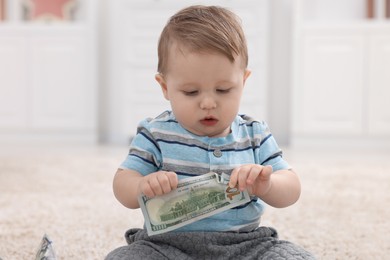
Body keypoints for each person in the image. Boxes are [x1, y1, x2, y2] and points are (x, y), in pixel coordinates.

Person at [106, 5, 315, 260]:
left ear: (243, 82)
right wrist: (141, 185)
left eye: (224, 89)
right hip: (167, 246)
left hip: (245, 244)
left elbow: (291, 188)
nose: (208, 103)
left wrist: (267, 183)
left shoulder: (254, 133)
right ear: (165, 87)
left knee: (292, 257)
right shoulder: (156, 133)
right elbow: (122, 184)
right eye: (191, 92)